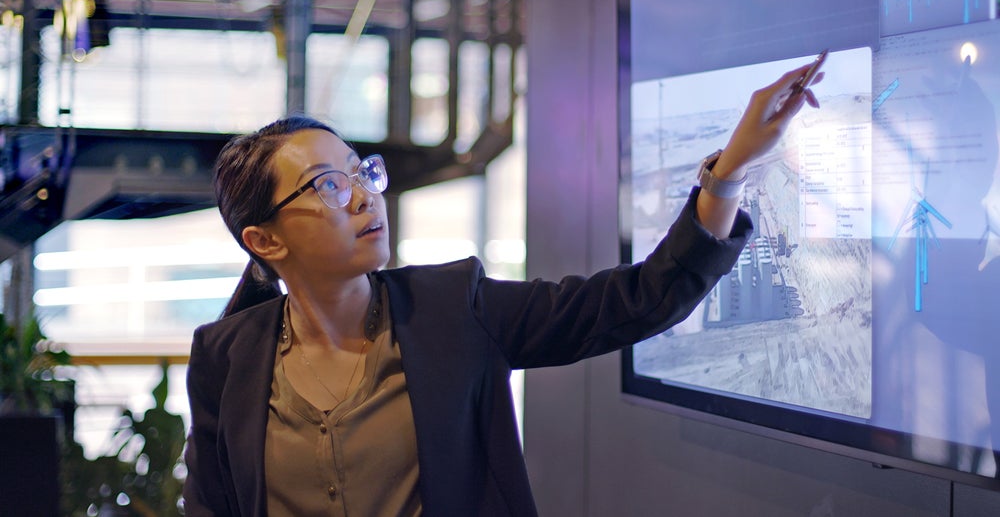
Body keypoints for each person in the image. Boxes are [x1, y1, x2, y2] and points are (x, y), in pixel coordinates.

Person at [182, 66, 823, 517]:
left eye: (362, 171)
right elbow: (212, 506)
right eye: (327, 184)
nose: (363, 195)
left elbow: (639, 299)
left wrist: (729, 173)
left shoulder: (453, 309)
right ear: (264, 241)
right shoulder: (226, 355)